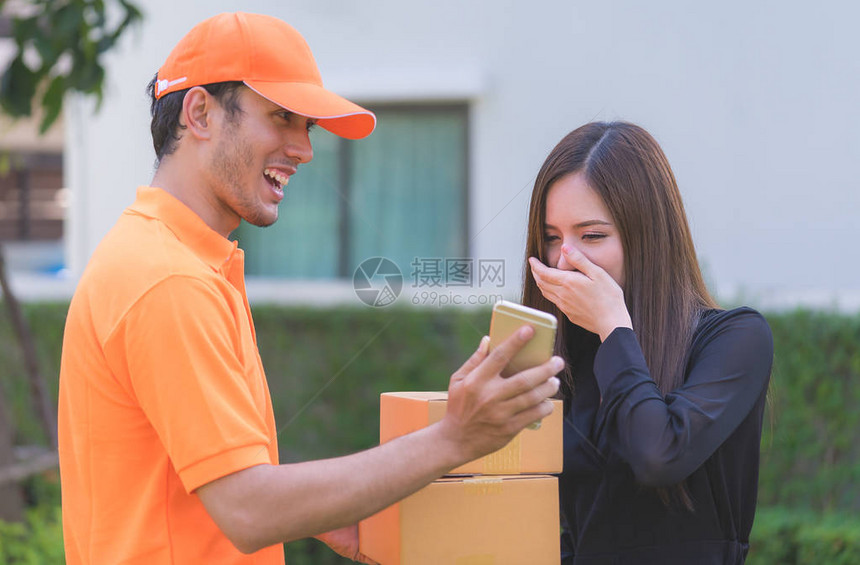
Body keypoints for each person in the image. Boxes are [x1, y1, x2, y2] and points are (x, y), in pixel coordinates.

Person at [57, 12, 562, 565]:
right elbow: (247, 508)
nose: (304, 149)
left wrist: (323, 509)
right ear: (199, 112)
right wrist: (453, 438)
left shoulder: (171, 261)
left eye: (308, 127)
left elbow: (220, 487)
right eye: (281, 117)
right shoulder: (168, 279)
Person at [522, 121, 773, 564]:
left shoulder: (734, 338)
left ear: (648, 237)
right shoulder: (564, 357)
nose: (566, 260)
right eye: (552, 237)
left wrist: (614, 327)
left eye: (592, 236)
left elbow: (659, 456)